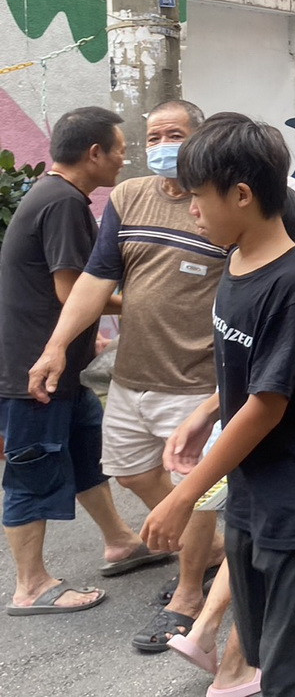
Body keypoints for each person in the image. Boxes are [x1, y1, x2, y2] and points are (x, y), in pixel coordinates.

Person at [141, 112, 295, 697]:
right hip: (254, 497)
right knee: (274, 652)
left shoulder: (292, 285)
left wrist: (184, 496)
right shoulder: (238, 261)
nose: (192, 209)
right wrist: (205, 412)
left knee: (290, 683)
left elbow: (267, 404)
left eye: (199, 197)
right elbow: (251, 371)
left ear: (242, 195)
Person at [28, 100, 237, 657]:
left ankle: (190, 594)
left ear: (200, 140)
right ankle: (212, 546)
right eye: (155, 134)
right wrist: (56, 347)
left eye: (176, 134)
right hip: (132, 374)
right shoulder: (128, 196)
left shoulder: (215, 204)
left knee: (196, 488)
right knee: (129, 471)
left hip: (194, 380)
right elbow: (96, 277)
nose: (163, 143)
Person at [1, 106, 152, 616]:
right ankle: (31, 584)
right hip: (35, 375)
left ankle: (121, 540)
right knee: (33, 470)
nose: (123, 160)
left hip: (61, 370)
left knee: (91, 452)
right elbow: (74, 291)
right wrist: (150, 302)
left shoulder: (52, 194)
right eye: (120, 151)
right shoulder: (65, 202)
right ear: (94, 153)